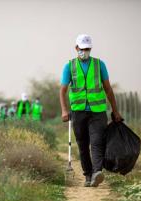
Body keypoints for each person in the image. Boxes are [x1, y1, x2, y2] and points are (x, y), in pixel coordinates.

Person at [59, 34, 122, 187]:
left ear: (91, 48)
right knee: (82, 144)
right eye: (82, 49)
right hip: (78, 112)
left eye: (88, 49)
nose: (85, 51)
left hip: (98, 111)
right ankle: (88, 175)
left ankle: (97, 172)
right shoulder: (69, 66)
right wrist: (64, 111)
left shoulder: (99, 64)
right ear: (76, 48)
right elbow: (62, 91)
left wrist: (115, 111)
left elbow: (108, 89)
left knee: (97, 142)